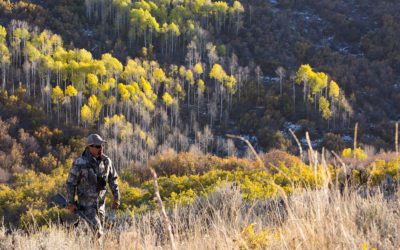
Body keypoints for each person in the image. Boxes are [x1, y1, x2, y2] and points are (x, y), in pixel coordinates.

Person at [66, 133, 120, 237]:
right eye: (98, 146)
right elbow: (70, 183)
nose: (101, 148)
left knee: (97, 235)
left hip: (101, 206)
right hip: (86, 207)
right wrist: (70, 202)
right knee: (98, 232)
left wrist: (117, 197)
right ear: (89, 147)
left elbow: (113, 179)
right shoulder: (79, 163)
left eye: (102, 146)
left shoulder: (106, 161)